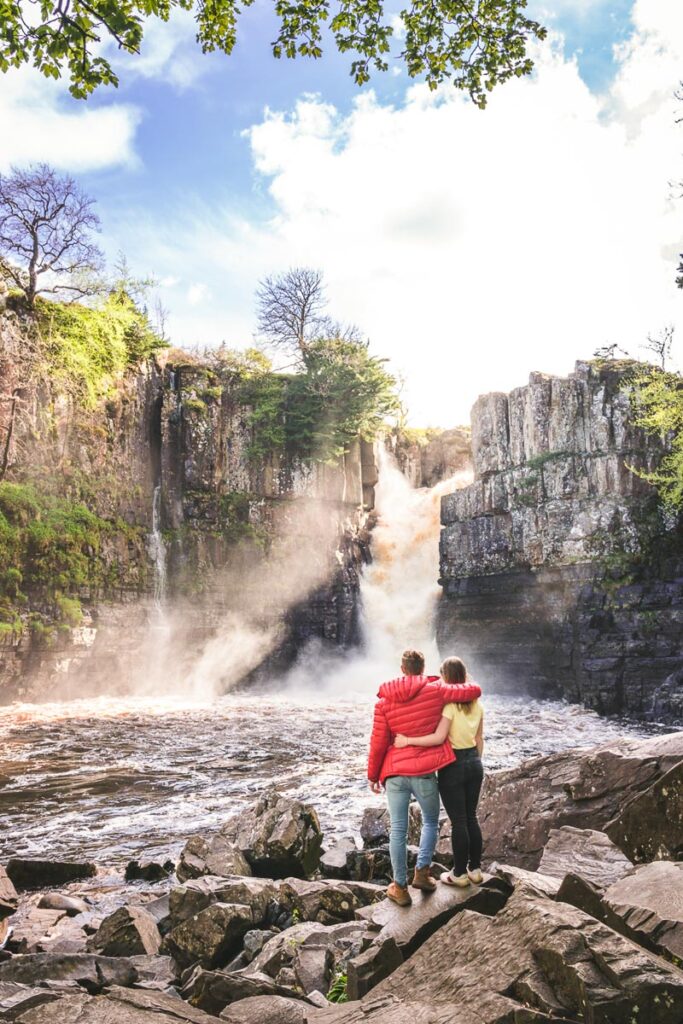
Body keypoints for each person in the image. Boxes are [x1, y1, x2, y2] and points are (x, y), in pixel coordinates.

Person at [367, 649, 482, 906]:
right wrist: (472, 685)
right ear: (422, 667)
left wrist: (373, 775)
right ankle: (422, 873)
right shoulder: (436, 691)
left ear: (402, 668)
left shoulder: (383, 701)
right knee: (430, 821)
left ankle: (399, 887)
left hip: (395, 772)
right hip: (424, 771)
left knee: (398, 829)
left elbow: (378, 742)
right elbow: (469, 691)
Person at [395, 656, 484, 888]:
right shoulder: (477, 704)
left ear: (446, 678)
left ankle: (459, 874)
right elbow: (479, 738)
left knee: (459, 822)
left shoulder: (449, 706)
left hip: (453, 766)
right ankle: (475, 869)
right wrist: (476, 760)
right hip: (475, 762)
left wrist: (407, 740)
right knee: (472, 817)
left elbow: (438, 737)